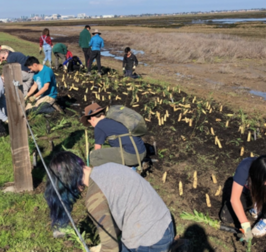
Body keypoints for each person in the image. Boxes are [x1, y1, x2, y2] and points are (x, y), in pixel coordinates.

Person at [44, 151, 174, 252]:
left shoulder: (94, 199)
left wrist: (104, 247)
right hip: (165, 224)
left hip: (151, 242)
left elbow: (111, 249)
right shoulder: (108, 167)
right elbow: (120, 208)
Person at [220, 155, 266, 244]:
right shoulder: (244, 167)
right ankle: (254, 206)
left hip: (264, 193)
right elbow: (234, 199)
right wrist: (246, 225)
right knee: (226, 217)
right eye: (264, 180)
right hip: (247, 192)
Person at [81, 103, 147, 167]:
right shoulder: (115, 120)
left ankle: (107, 175)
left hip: (131, 156)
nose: (92, 126)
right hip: (142, 151)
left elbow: (97, 149)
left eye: (90, 123)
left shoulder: (99, 126)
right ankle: (131, 168)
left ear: (92, 118)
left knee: (94, 156)